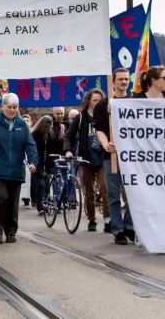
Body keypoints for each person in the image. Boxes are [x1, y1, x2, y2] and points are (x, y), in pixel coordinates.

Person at [0, 93, 37, 244]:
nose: (12, 110)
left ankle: (11, 231)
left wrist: (32, 162)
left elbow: (30, 146)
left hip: (16, 171)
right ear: (2, 107)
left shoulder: (22, 125)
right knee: (1, 197)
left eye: (15, 107)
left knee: (12, 202)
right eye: (9, 107)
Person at [93, 67, 135, 245]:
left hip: (132, 155)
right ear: (113, 82)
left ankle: (130, 227)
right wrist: (105, 144)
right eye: (121, 79)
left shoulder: (135, 101)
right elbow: (99, 129)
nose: (124, 82)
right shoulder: (103, 105)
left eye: (126, 79)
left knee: (134, 193)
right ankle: (117, 229)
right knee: (113, 194)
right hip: (111, 155)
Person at [65, 88, 109, 233]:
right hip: (86, 159)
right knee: (89, 191)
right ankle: (92, 219)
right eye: (94, 100)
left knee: (105, 189)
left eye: (100, 100)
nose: (97, 103)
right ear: (89, 102)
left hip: (103, 158)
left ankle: (108, 220)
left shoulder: (106, 116)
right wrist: (69, 150)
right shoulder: (82, 117)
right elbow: (69, 135)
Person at [31, 112, 65, 216]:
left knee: (46, 183)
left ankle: (45, 203)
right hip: (38, 161)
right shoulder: (35, 134)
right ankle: (40, 206)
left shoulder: (50, 134)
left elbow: (57, 145)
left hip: (48, 162)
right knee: (41, 183)